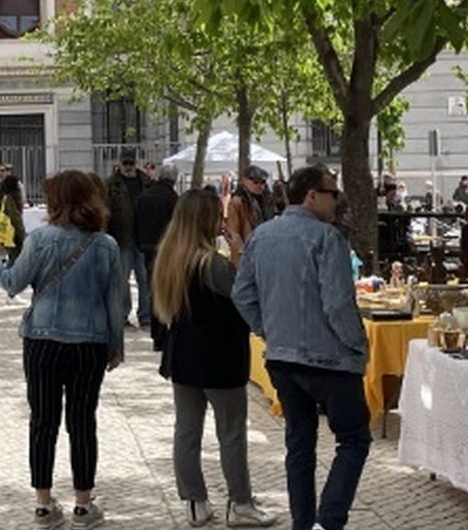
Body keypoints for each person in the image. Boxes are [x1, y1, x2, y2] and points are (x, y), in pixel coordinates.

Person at [0, 170, 126, 530]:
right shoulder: (105, 245)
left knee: (43, 422)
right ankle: (83, 503)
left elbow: (14, 283)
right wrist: (115, 345)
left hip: (42, 342)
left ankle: (43, 504)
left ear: (57, 200)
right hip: (89, 345)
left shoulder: (40, 239)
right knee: (82, 422)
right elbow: (115, 303)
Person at [233, 165, 370, 530]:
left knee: (300, 445)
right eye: (332, 193)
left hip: (283, 358)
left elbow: (242, 295)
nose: (336, 200)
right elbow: (338, 305)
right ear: (311, 195)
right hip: (331, 359)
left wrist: (269, 330)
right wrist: (358, 346)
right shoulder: (327, 239)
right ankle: (328, 520)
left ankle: (304, 523)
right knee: (354, 439)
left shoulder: (262, 236)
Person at [153, 189, 276, 528]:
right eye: (217, 215)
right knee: (232, 433)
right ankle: (240, 503)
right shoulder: (213, 263)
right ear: (205, 220)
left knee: (187, 432)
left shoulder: (169, 257)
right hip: (219, 358)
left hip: (183, 359)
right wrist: (238, 250)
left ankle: (194, 502)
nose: (222, 221)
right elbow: (244, 297)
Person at [105, 149, 153, 327]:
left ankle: (145, 314)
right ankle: (124, 314)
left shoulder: (147, 182)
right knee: (122, 279)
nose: (128, 167)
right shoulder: (111, 184)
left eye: (131, 163)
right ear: (119, 163)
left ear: (136, 163)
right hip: (121, 238)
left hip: (142, 239)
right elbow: (105, 211)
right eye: (125, 163)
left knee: (144, 278)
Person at [135, 163, 179, 349]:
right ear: (173, 179)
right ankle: (165, 333)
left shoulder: (143, 197)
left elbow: (135, 223)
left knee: (153, 290)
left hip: (146, 247)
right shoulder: (173, 198)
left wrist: (139, 242)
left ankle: (156, 334)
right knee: (168, 290)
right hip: (167, 250)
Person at [226, 165, 270, 267]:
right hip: (246, 254)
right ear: (244, 181)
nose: (260, 186)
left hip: (264, 251)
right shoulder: (237, 202)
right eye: (255, 182)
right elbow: (233, 234)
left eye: (263, 182)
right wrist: (241, 255)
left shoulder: (266, 199)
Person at [0, 172, 27, 263]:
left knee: (13, 259)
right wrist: (22, 235)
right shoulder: (10, 199)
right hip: (12, 235)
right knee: (16, 260)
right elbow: (15, 219)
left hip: (5, 234)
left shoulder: (2, 197)